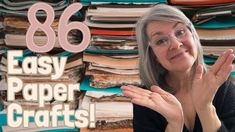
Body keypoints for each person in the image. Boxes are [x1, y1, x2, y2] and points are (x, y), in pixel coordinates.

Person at [121, 4, 235, 132]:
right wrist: (174, 124)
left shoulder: (225, 89)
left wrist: (205, 108)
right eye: (161, 41)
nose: (175, 44)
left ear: (193, 35)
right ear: (153, 56)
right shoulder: (148, 100)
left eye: (180, 32)